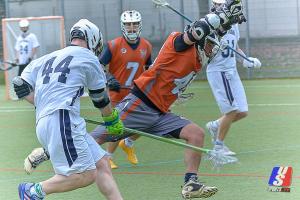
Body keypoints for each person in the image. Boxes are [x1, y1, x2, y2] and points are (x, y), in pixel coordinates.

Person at [20, 0, 245, 198]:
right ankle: (44, 152)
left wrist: (227, 23)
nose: (212, 49)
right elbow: (199, 29)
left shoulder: (197, 55)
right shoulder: (179, 42)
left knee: (195, 133)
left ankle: (190, 183)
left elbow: (210, 32)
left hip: (161, 112)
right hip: (141, 104)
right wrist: (222, 12)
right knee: (96, 139)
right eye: (210, 43)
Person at [13, 19, 124, 200]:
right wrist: (111, 121)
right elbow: (100, 99)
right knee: (86, 174)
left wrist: (45, 104)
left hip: (47, 121)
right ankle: (33, 191)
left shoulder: (47, 57)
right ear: (93, 39)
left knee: (101, 163)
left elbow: (20, 85)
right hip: (61, 120)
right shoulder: (89, 57)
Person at [95, 10, 152, 169]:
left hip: (136, 93)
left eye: (134, 24)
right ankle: (108, 157)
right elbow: (98, 66)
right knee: (116, 127)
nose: (131, 27)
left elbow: (149, 69)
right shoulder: (113, 45)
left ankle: (128, 143)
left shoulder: (146, 45)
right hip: (117, 93)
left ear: (139, 25)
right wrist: (108, 78)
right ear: (123, 26)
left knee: (148, 121)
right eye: (128, 24)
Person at [205, 0, 261, 156]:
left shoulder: (234, 24)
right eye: (218, 4)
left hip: (231, 71)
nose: (221, 7)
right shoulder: (209, 22)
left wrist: (246, 60)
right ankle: (218, 147)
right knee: (231, 110)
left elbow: (235, 47)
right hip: (218, 71)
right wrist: (213, 47)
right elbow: (203, 51)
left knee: (242, 111)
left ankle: (215, 125)